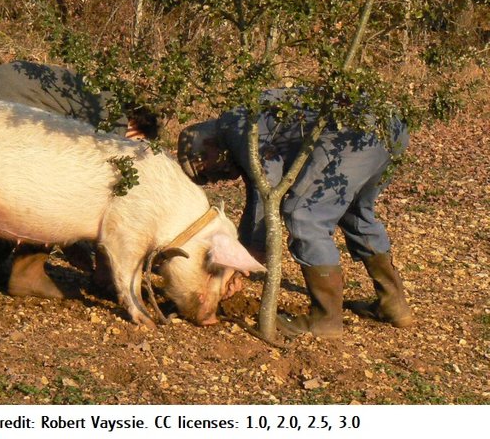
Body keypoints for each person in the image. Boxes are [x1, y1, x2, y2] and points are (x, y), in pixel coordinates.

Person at [177, 88, 413, 339]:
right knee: (355, 213)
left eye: (204, 171)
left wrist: (245, 259)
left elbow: (266, 189)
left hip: (356, 129)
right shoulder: (240, 122)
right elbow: (258, 197)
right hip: (390, 126)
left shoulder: (234, 128)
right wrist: (245, 253)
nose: (215, 179)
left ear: (206, 146)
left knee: (304, 215)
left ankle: (325, 320)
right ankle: (394, 306)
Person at [0, 60, 158, 299]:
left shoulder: (100, 97)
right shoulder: (115, 121)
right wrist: (72, 243)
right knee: (48, 187)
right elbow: (82, 191)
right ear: (136, 129)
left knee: (13, 191)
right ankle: (27, 275)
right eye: (138, 143)